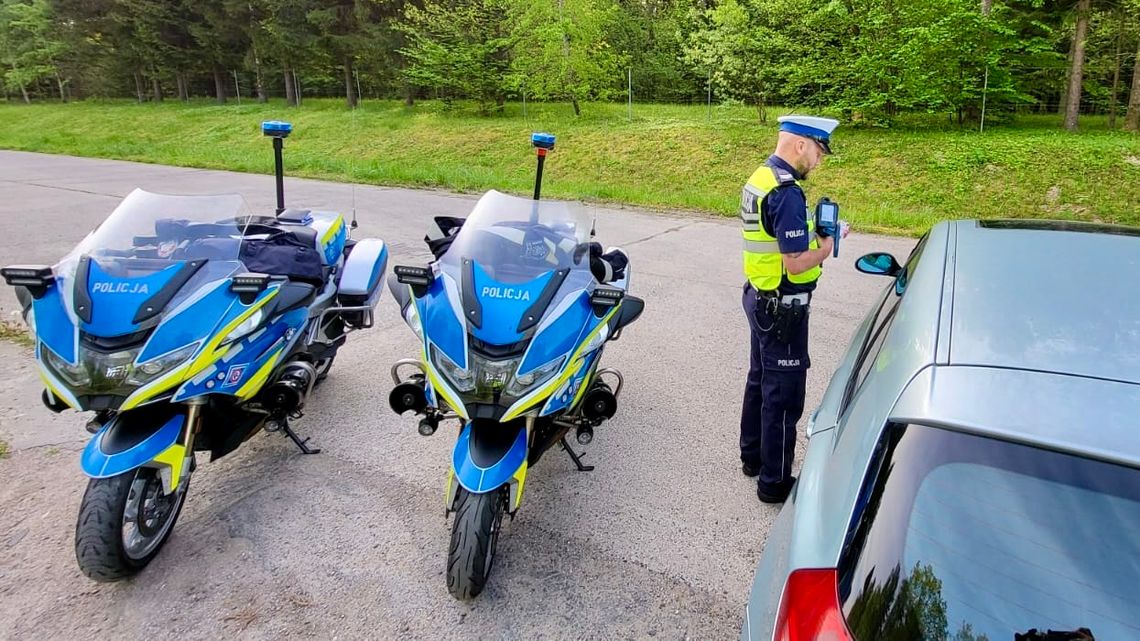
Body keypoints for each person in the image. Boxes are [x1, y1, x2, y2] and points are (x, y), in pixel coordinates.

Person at [738, 114, 849, 504]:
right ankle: (774, 484)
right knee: (783, 397)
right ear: (801, 144)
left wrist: (813, 234)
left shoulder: (761, 177)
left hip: (759, 296)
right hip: (782, 310)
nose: (818, 161)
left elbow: (774, 237)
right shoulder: (786, 192)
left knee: (759, 381)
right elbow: (796, 261)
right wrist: (828, 246)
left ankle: (752, 458)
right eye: (818, 151)